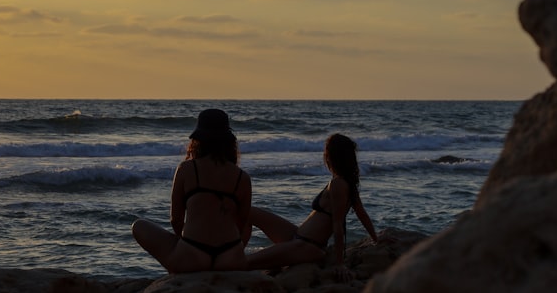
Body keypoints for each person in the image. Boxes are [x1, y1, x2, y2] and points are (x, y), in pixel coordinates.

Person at [246, 133, 380, 281]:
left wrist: (339, 264)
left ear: (331, 156)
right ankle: (233, 249)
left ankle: (228, 259)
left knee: (245, 262)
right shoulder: (345, 183)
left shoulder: (339, 184)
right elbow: (362, 214)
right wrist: (376, 239)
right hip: (297, 236)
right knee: (248, 211)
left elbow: (338, 226)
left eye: (326, 152)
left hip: (306, 246)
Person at [132, 108, 252, 273]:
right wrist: (235, 249)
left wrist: (186, 243)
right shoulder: (242, 177)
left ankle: (184, 261)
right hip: (230, 257)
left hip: (194, 253)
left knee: (139, 226)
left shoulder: (187, 169)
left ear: (198, 139)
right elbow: (243, 223)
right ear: (229, 141)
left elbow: (176, 219)